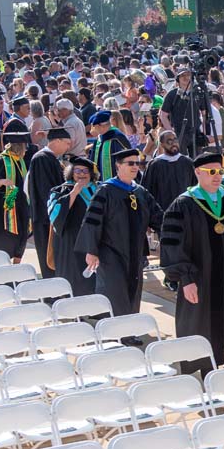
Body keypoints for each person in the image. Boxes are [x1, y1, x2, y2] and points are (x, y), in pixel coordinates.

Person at [159, 151, 224, 372]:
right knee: (205, 328)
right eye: (211, 172)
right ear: (197, 172)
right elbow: (172, 245)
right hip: (202, 280)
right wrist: (185, 279)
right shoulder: (183, 205)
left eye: (220, 171)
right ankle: (210, 375)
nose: (217, 176)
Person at [75, 148, 162, 315]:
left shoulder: (140, 192)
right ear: (118, 165)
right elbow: (92, 221)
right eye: (130, 163)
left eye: (138, 163)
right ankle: (115, 331)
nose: (135, 166)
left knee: (133, 291)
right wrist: (91, 251)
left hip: (135, 253)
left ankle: (130, 329)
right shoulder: (106, 191)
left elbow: (158, 217)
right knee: (114, 292)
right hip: (111, 253)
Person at [46, 156, 99, 295]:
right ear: (71, 173)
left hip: (96, 241)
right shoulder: (61, 190)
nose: (82, 174)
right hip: (71, 243)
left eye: (86, 171)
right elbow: (54, 215)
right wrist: (74, 193)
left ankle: (96, 310)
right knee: (74, 277)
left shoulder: (100, 189)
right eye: (77, 171)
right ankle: (75, 310)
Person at [25, 127, 73, 277]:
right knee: (48, 257)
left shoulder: (50, 159)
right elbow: (47, 191)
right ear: (57, 141)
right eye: (66, 143)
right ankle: (53, 294)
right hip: (46, 218)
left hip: (51, 217)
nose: (68, 147)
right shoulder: (42, 159)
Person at [0, 131, 32, 261]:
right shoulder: (1, 161)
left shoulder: (20, 160)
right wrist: (2, 182)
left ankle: (17, 261)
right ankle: (2, 263)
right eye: (24, 146)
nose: (26, 148)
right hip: (4, 208)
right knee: (6, 237)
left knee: (21, 234)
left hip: (21, 204)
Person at [140, 130, 196, 213]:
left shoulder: (188, 163)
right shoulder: (154, 165)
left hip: (185, 213)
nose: (173, 143)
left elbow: (195, 187)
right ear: (162, 144)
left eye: (175, 140)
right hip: (162, 214)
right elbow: (146, 192)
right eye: (169, 141)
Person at [88, 110, 130, 182]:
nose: (94, 130)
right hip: (100, 180)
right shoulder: (99, 138)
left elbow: (127, 159)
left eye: (95, 127)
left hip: (117, 180)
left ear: (99, 126)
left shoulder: (117, 137)